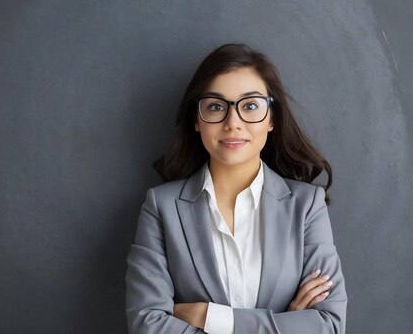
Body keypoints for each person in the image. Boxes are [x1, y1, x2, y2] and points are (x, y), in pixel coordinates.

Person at [125, 43, 347, 333]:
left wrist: (210, 317)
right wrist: (285, 323)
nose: (233, 123)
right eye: (216, 106)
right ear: (196, 119)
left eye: (251, 106)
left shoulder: (306, 205)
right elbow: (147, 325)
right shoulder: (161, 207)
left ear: (271, 119)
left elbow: (329, 326)